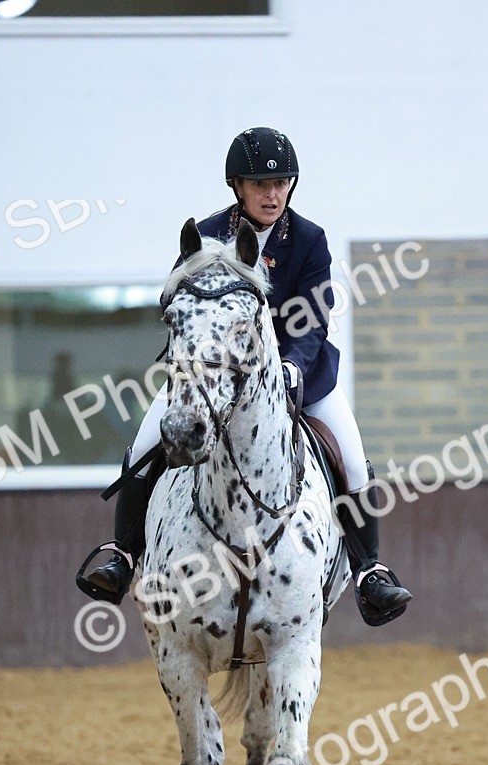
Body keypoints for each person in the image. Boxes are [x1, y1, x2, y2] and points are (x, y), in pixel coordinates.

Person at [85, 126, 411, 625]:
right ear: (237, 186)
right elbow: (173, 298)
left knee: (352, 457)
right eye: (261, 184)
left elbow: (315, 319)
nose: (273, 193)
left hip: (298, 374)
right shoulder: (207, 234)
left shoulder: (308, 240)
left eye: (281, 183)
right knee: (147, 442)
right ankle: (122, 554)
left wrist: (291, 368)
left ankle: (370, 571)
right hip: (212, 375)